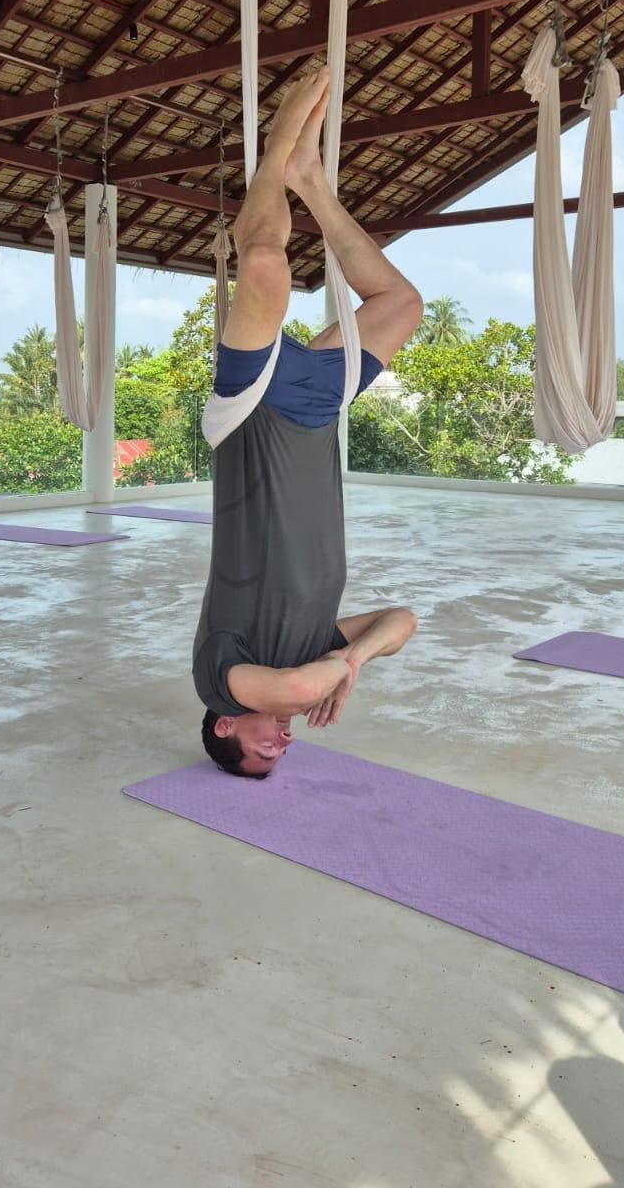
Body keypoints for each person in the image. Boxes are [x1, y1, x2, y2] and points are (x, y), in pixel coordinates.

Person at [193, 65, 422, 778]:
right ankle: (310, 182)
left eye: (261, 749)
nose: (283, 742)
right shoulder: (310, 645)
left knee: (262, 262)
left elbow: (293, 691)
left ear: (227, 723)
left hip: (250, 423)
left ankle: (272, 157)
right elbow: (401, 623)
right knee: (402, 304)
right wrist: (350, 656)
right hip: (314, 419)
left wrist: (333, 673)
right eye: (281, 754)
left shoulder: (220, 673)